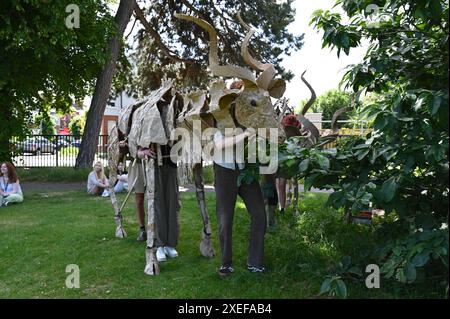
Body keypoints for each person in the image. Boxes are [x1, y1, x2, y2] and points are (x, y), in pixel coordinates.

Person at [213, 127, 267, 276]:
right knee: (225, 219)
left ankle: (255, 263)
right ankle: (226, 264)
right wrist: (245, 134)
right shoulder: (217, 114)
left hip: (245, 169)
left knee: (259, 214)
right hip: (224, 170)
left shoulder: (245, 115)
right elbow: (219, 144)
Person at [127, 144, 180, 263]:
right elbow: (134, 145)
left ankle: (170, 243)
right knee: (158, 205)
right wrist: (141, 152)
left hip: (171, 162)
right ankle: (160, 245)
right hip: (154, 165)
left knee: (172, 204)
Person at [276, 113, 302, 213]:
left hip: (290, 160)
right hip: (281, 160)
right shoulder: (281, 131)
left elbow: (299, 147)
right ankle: (281, 207)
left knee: (288, 183)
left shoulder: (296, 134)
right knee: (280, 184)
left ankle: (294, 206)